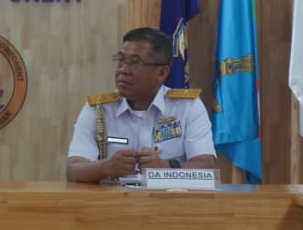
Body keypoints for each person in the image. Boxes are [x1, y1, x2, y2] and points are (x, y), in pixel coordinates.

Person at [67, 27, 216, 183]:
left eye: (135, 63)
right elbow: (73, 170)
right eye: (121, 60)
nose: (123, 70)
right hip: (113, 198)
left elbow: (207, 167)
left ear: (161, 73)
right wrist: (106, 167)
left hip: (169, 197)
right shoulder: (98, 109)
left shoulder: (187, 107)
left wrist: (166, 167)